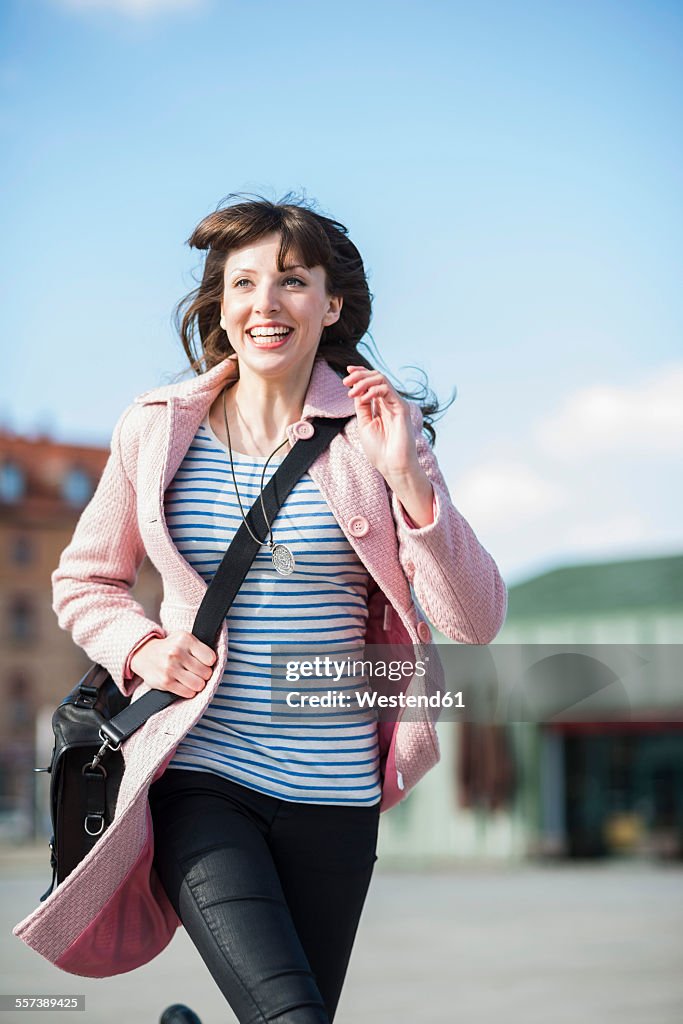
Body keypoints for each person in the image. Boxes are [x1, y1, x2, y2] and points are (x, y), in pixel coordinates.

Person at [13, 194, 507, 1023]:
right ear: (219, 303)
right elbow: (84, 581)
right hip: (201, 773)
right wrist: (141, 648)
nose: (264, 304)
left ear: (331, 302)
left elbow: (474, 618)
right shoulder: (156, 429)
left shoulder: (379, 434)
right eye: (242, 283)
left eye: (290, 281)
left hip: (336, 790)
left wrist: (411, 484)